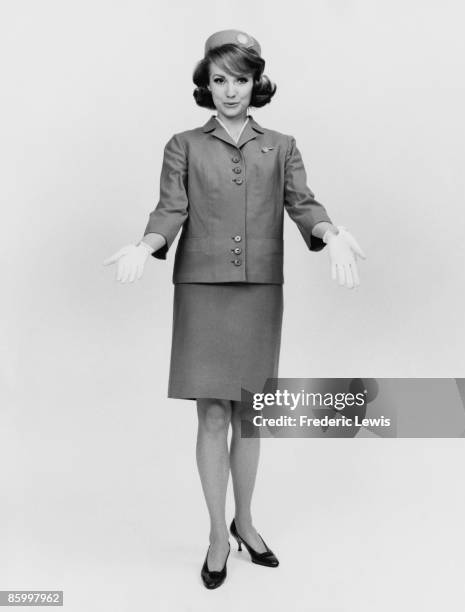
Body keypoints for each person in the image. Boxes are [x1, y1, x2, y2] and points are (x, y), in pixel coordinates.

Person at [103, 29, 366, 589]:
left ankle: (245, 522)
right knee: (212, 413)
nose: (230, 91)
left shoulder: (283, 144)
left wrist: (329, 231)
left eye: (240, 80)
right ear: (205, 84)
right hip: (201, 287)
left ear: (256, 82)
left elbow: (303, 202)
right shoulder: (183, 144)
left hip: (259, 289)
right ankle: (216, 535)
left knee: (251, 413)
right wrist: (144, 244)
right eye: (219, 80)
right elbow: (170, 209)